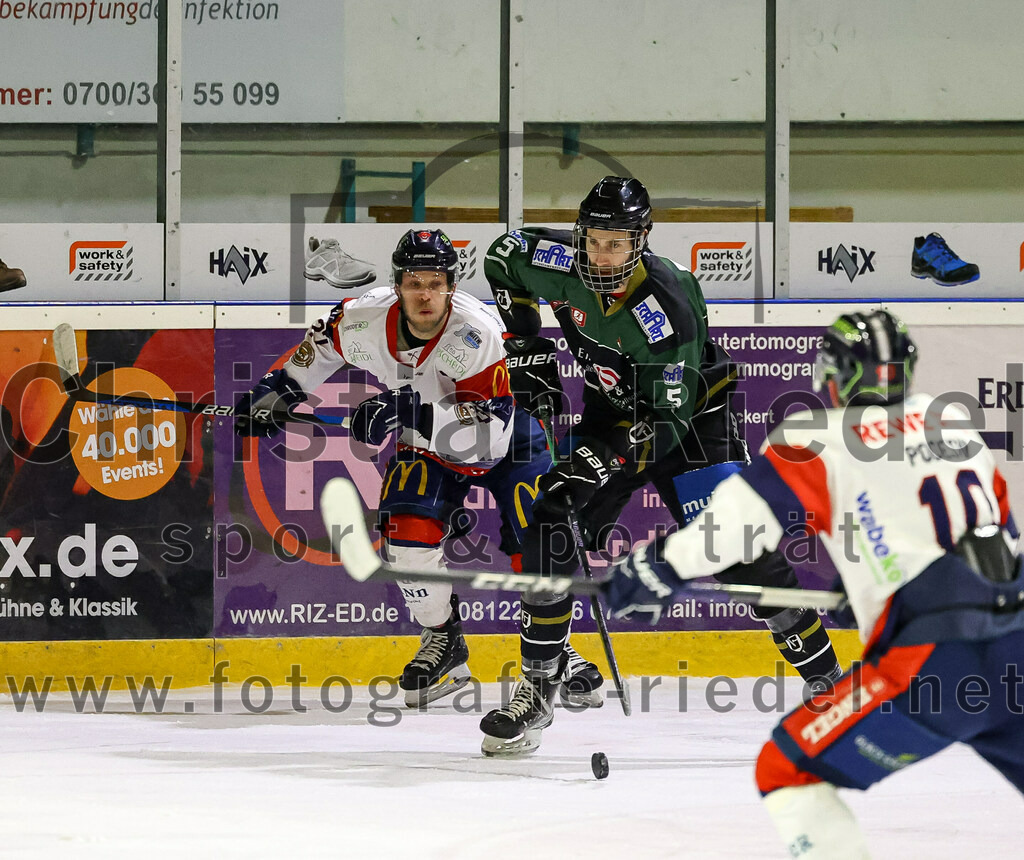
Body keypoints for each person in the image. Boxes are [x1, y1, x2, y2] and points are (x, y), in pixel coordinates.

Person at [606, 310, 1024, 858]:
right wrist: (875, 589)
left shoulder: (818, 434)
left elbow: (737, 525)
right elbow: (996, 544)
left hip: (937, 665)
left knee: (786, 769)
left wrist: (659, 566)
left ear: (836, 373)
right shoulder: (951, 425)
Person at [479, 176, 842, 755]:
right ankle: (540, 685)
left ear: (641, 240)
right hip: (613, 411)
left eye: (617, 243)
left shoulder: (664, 306)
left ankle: (830, 687)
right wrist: (526, 346)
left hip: (692, 423)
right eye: (594, 240)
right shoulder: (554, 259)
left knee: (739, 554)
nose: (602, 255)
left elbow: (664, 423)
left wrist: (600, 465)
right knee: (550, 519)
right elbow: (501, 260)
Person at [235, 229, 603, 708]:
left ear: (452, 284)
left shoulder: (477, 335)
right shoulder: (364, 318)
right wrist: (279, 391)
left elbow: (485, 438)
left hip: (509, 437)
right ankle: (445, 643)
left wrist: (407, 411)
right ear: (397, 284)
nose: (425, 293)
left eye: (436, 281)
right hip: (426, 442)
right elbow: (320, 348)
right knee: (405, 540)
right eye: (413, 281)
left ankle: (553, 651)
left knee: (539, 550)